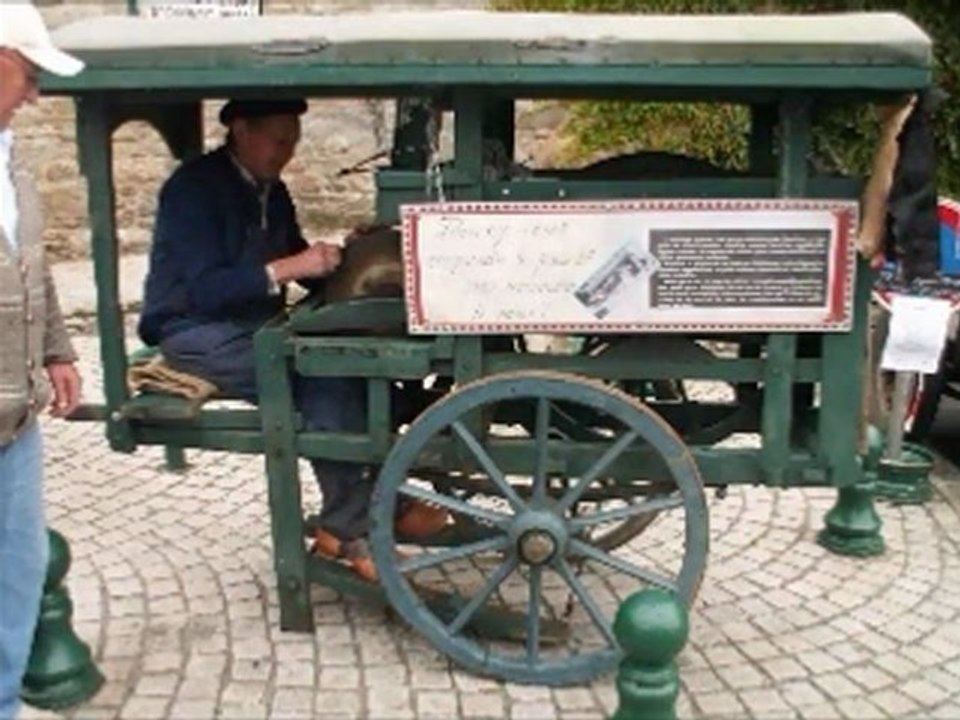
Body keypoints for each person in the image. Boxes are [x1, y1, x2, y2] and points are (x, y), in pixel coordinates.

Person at [138, 98, 447, 582]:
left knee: (353, 367)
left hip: (253, 329)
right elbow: (202, 289)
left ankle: (361, 509)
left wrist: (352, 254)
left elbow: (298, 261)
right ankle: (351, 527)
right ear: (241, 129)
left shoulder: (271, 190)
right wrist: (289, 267)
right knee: (323, 376)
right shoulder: (193, 189)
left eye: (294, 141)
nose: (287, 152)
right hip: (195, 332)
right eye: (279, 140)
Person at [0, 3, 84, 717]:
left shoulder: (11, 160)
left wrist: (56, 350)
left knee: (18, 576)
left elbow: (34, 266)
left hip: (14, 415)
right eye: (29, 75)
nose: (34, 95)